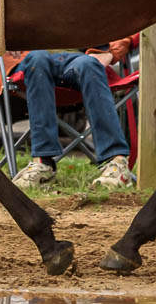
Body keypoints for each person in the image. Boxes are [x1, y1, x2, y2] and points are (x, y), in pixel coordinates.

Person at [8, 38, 137, 191]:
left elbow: (131, 25)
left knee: (88, 64)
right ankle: (42, 164)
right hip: (30, 59)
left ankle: (116, 163)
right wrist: (4, 39)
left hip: (86, 58)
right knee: (38, 59)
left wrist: (111, 52)